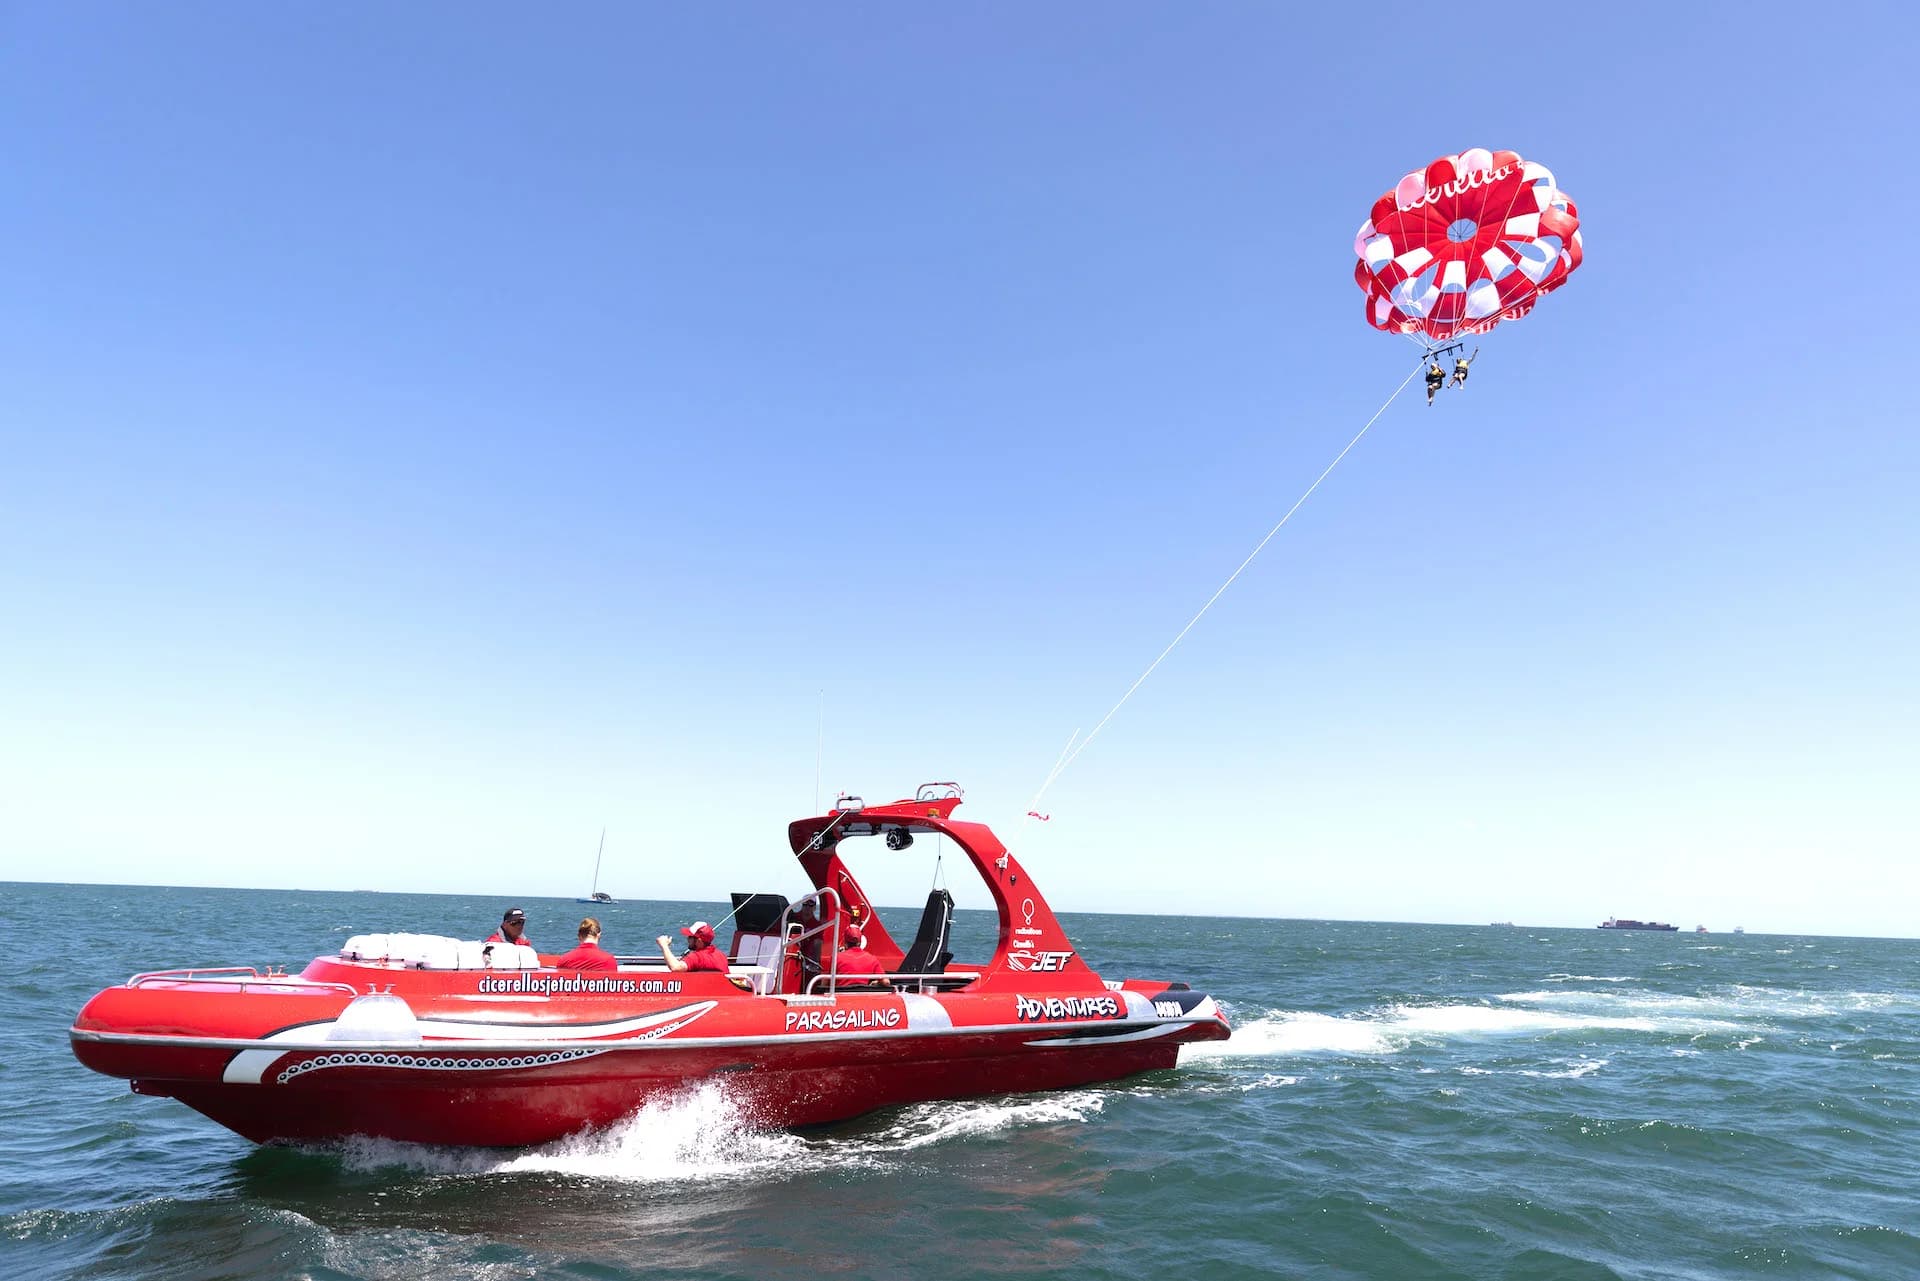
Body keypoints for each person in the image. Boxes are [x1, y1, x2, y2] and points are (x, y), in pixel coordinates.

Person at [659, 921, 753, 991]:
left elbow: (675, 967)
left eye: (690, 937)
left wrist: (664, 946)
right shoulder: (721, 956)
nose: (687, 939)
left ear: (699, 940)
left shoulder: (696, 957)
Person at [833, 923, 892, 989]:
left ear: (845, 942)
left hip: (840, 996)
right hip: (862, 996)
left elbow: (825, 984)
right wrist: (876, 983)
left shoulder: (836, 958)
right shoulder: (871, 958)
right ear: (860, 942)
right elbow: (886, 982)